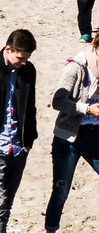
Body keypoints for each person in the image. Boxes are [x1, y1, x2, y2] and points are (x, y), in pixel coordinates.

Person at [44, 31, 99, 233]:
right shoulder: (75, 67)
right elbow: (58, 101)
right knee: (61, 192)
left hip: (96, 136)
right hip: (69, 139)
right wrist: (86, 109)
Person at [0, 30, 39, 233]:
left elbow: (30, 106)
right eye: (20, 57)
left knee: (7, 202)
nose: (23, 62)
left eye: (27, 58)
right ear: (8, 49)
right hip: (0, 145)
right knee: (0, 202)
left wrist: (29, 140)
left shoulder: (28, 70)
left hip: (18, 146)